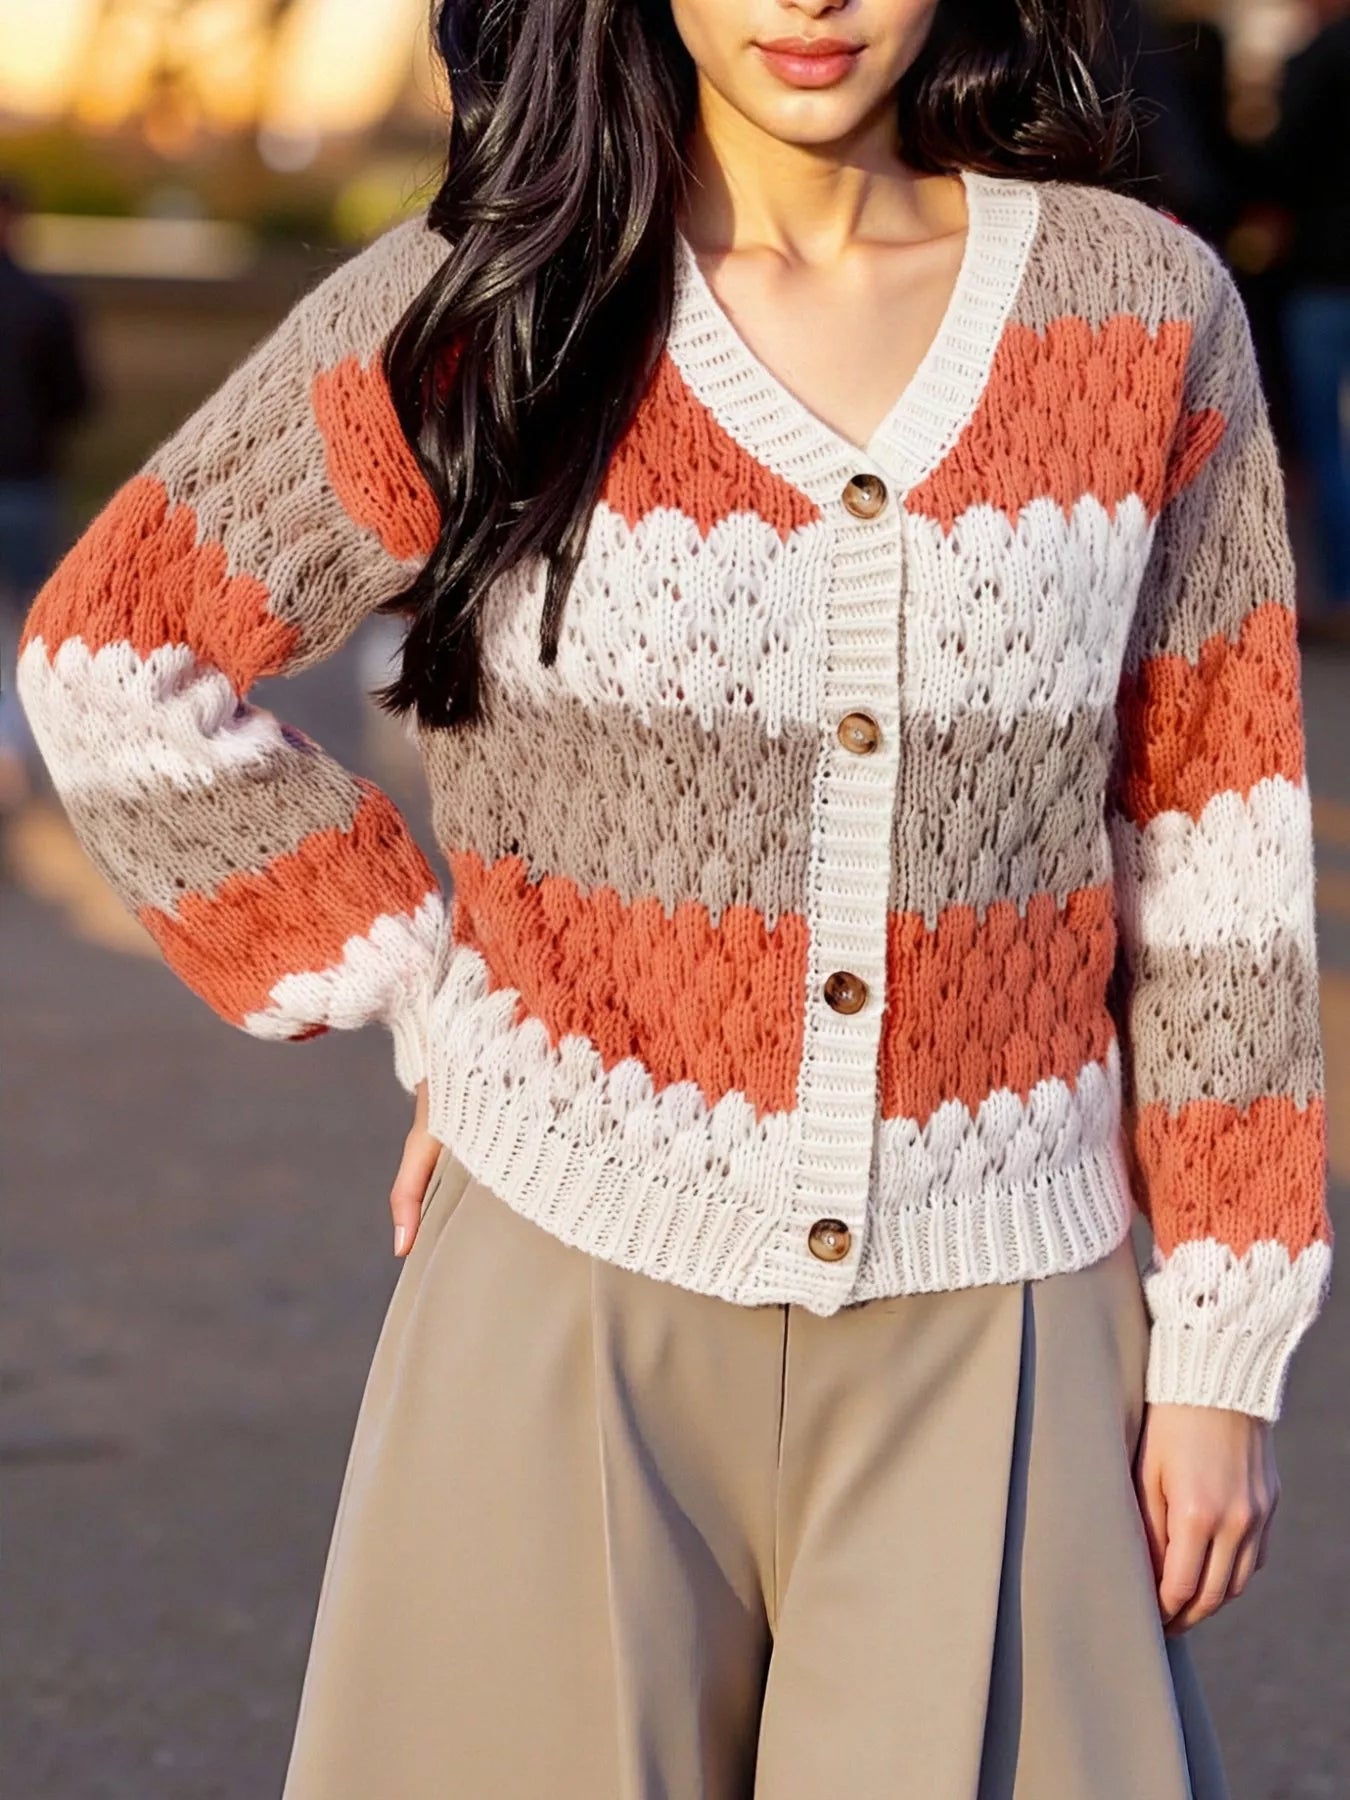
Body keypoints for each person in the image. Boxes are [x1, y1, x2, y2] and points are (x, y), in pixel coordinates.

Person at [16, 1, 1332, 1793]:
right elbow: (117, 650)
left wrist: (1225, 1347)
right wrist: (424, 990)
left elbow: (1215, 840)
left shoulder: (1139, 312)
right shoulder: (487, 309)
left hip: (1003, 1316)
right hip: (565, 1289)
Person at [0, 174, 93, 811]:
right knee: (25, 633)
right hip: (26, 483)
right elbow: (76, 401)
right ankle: (11, 756)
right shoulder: (45, 303)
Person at [1259, 0, 1350, 638]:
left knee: (1330, 446)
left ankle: (1344, 594)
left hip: (1324, 271)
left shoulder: (1319, 59)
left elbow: (1279, 164)